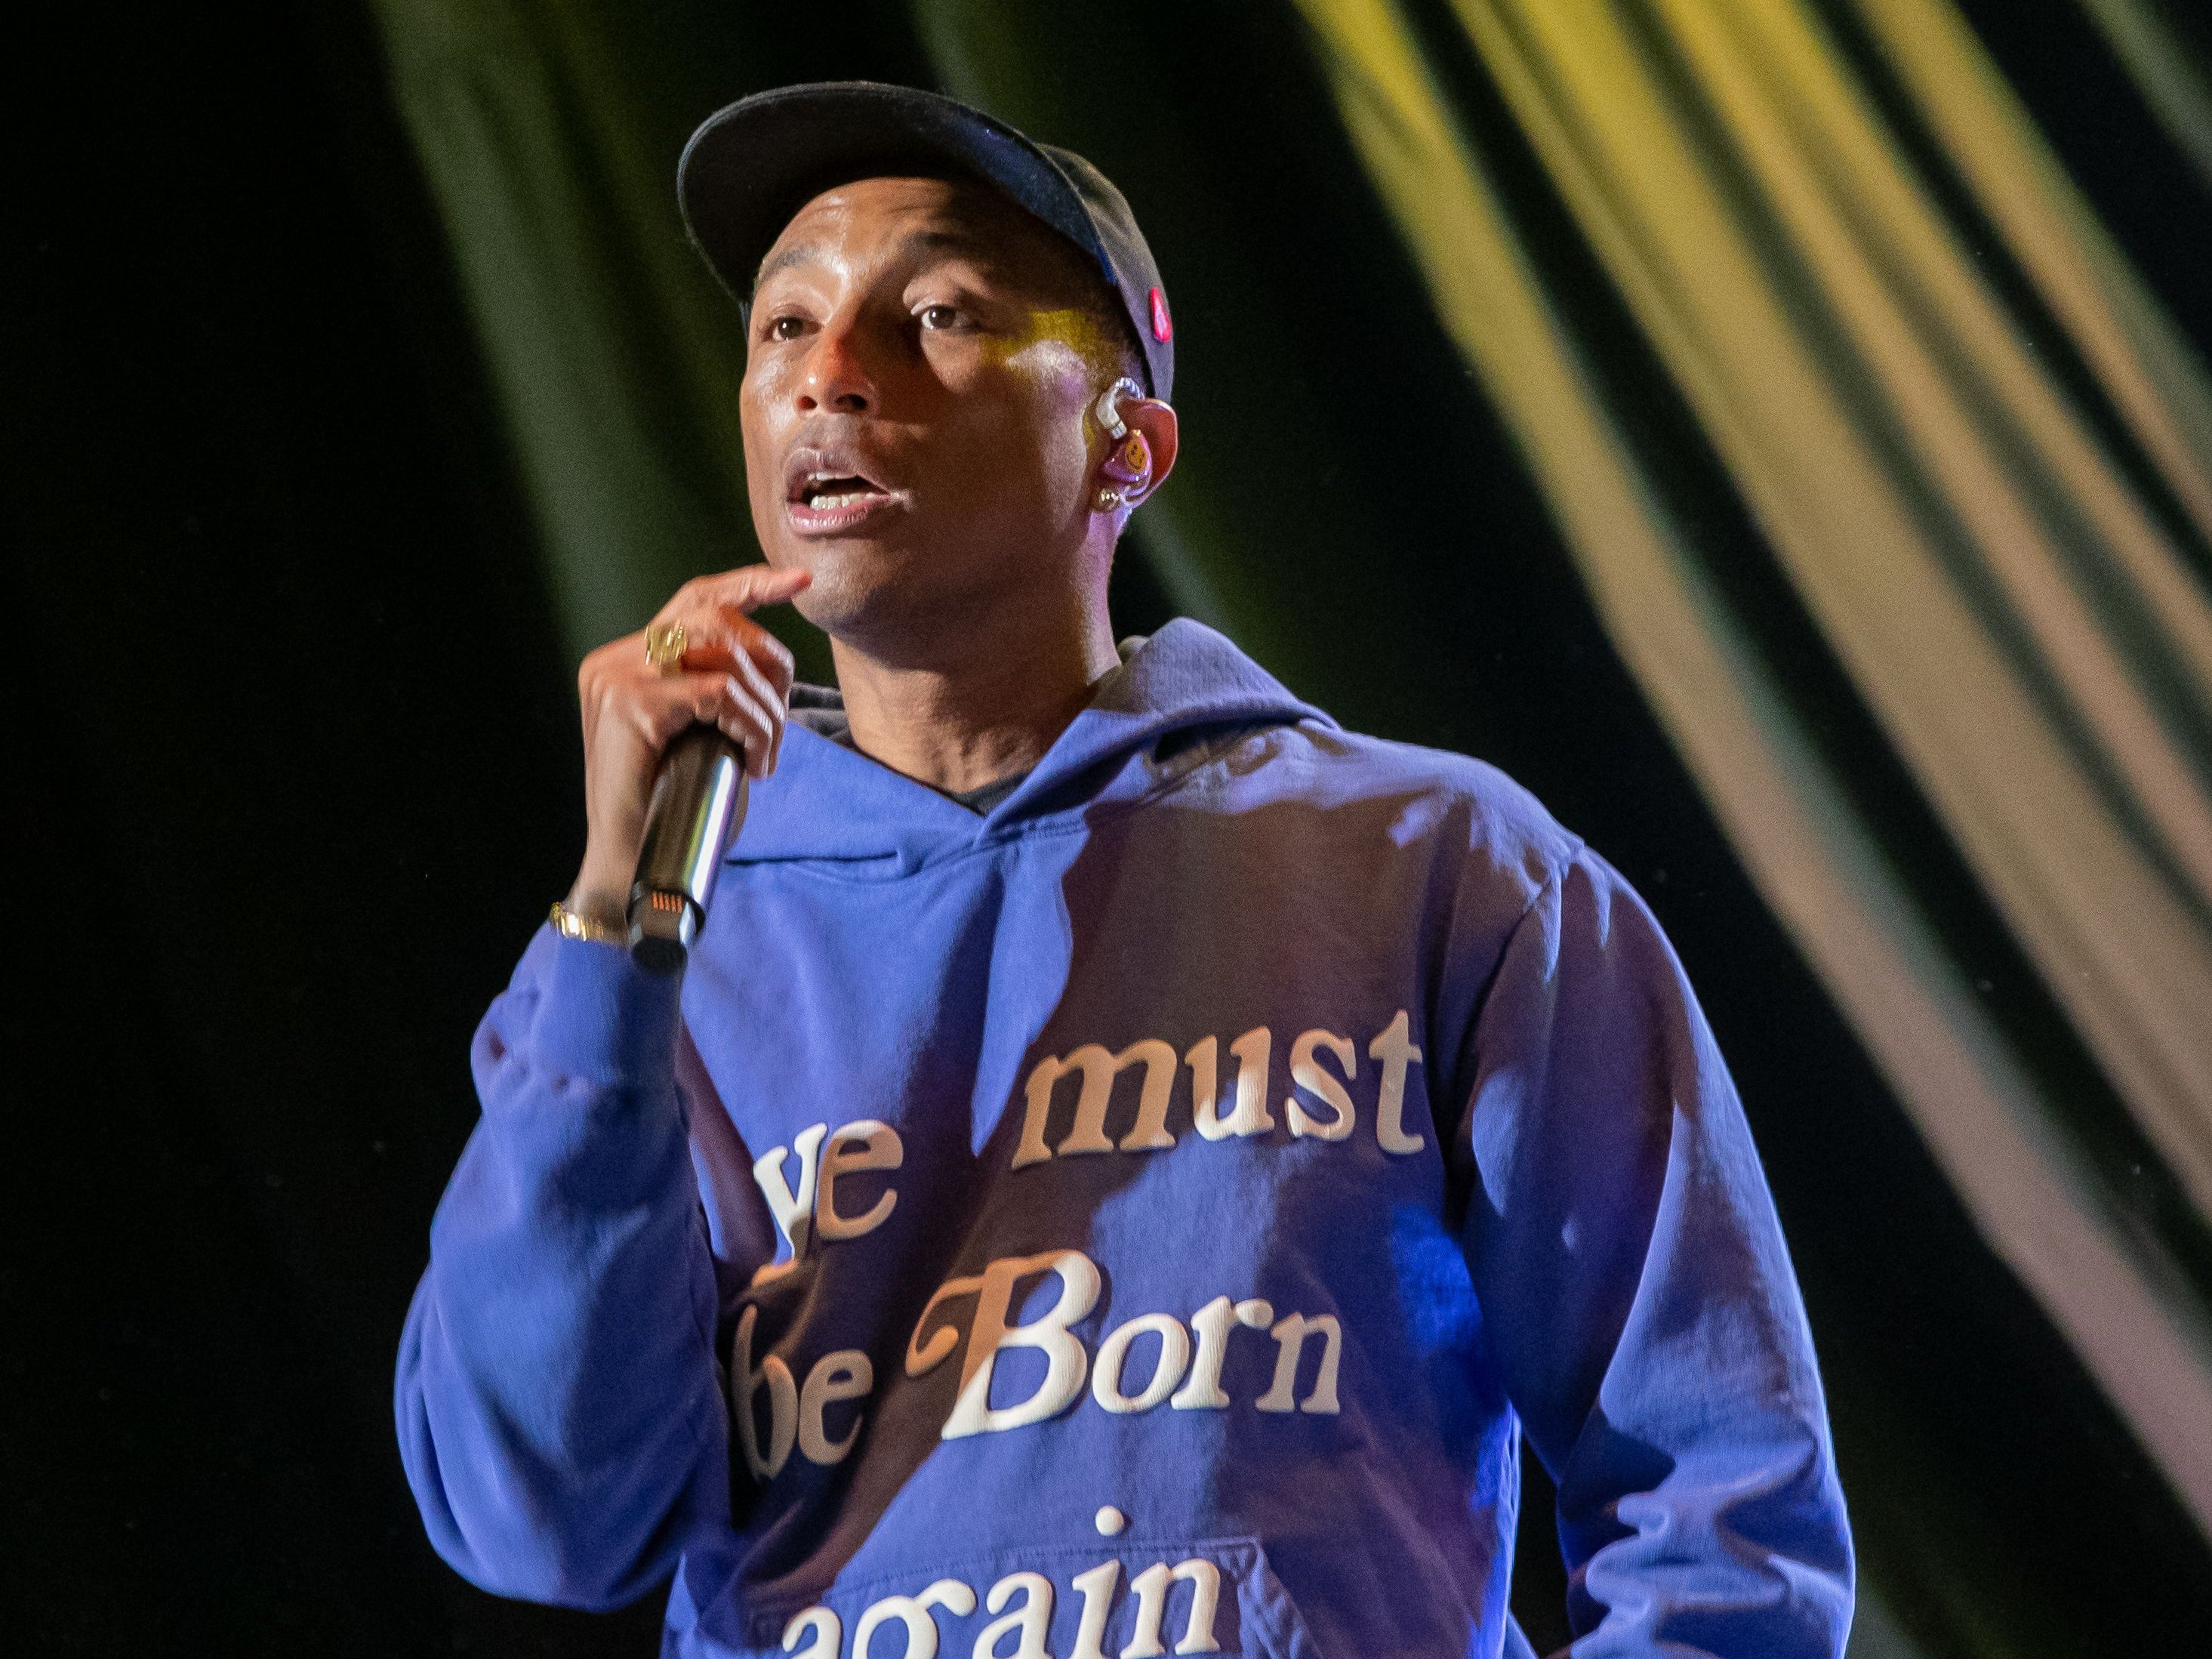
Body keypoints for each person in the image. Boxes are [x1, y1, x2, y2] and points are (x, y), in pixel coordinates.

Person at [396, 82, 1852, 1659]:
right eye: (781, 329)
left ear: (1127, 444)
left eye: (937, 312)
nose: (828, 377)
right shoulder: (661, 953)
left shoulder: (1430, 865)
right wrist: (620, 920)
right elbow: (535, 1519)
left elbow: (1726, 1501)